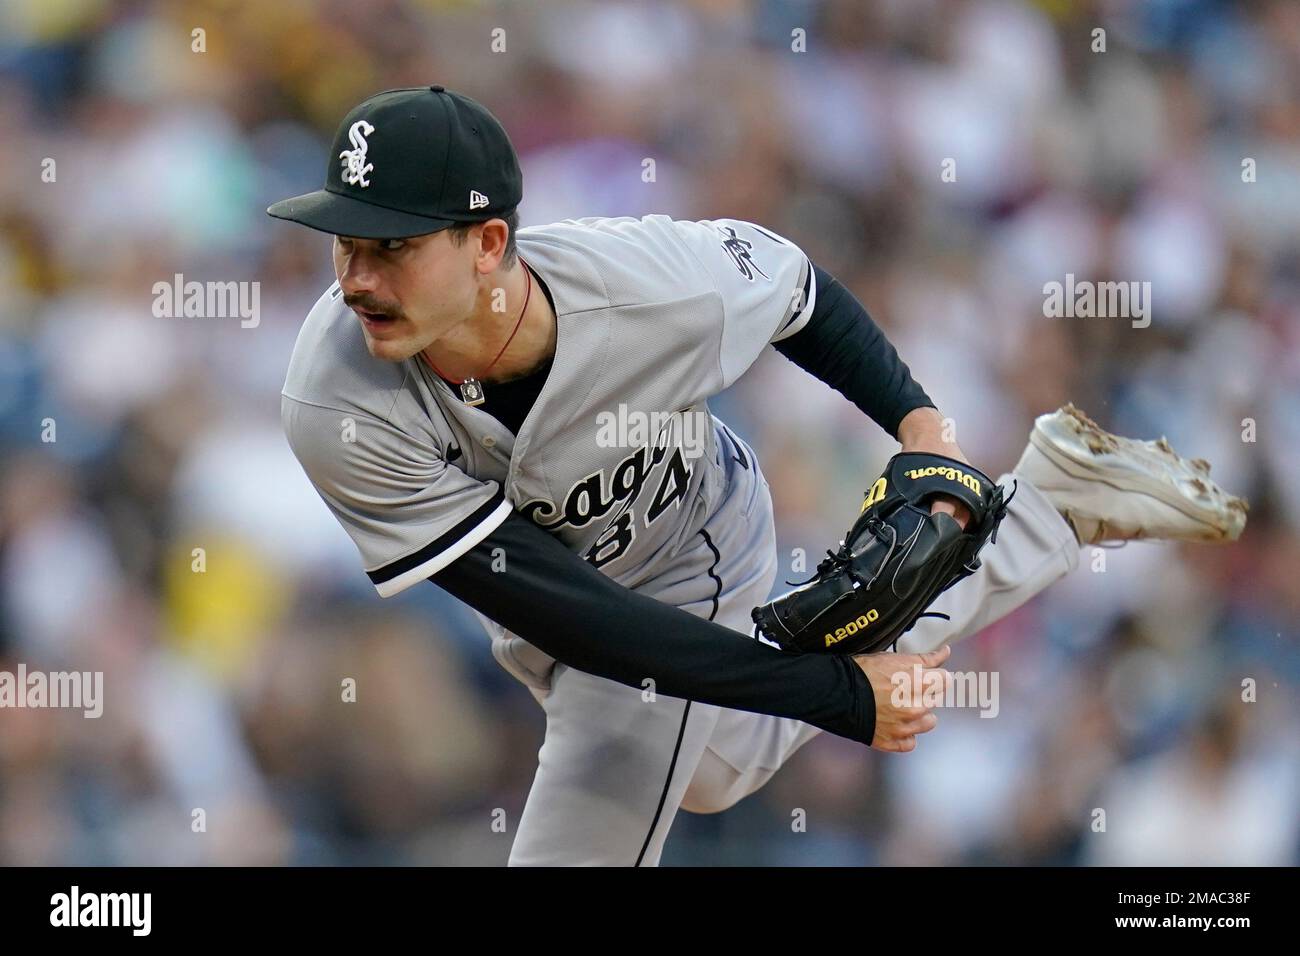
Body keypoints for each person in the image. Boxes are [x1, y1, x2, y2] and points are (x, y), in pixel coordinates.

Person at [267, 86, 1246, 865]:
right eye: (347, 243)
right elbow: (580, 619)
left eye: (390, 245)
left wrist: (924, 428)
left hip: (695, 534)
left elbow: (797, 291)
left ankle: (1037, 514)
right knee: (717, 765)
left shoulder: (648, 283)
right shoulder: (336, 400)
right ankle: (1050, 510)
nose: (355, 277)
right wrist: (831, 692)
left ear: (487, 245)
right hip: (571, 607)